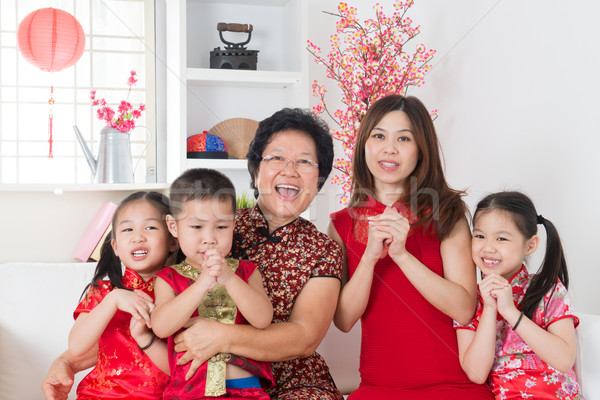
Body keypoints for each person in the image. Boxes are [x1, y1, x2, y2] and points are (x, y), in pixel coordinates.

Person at [41, 108, 344, 400]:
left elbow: (305, 337)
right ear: (255, 170)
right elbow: (141, 301)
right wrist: (67, 361)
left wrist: (223, 337)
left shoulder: (323, 250)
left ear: (320, 178)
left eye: (305, 162)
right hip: (196, 379)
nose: (289, 170)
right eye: (277, 157)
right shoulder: (209, 225)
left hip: (292, 381)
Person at [328, 94, 493, 399]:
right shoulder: (342, 224)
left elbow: (464, 308)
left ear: (420, 151)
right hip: (379, 388)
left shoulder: (447, 213)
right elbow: (343, 320)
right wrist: (370, 257)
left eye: (404, 138)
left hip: (453, 387)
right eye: (379, 135)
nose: (389, 148)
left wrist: (402, 256)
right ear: (364, 144)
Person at [152, 168, 274, 399]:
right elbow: (161, 327)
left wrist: (227, 277)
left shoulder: (247, 271)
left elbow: (262, 319)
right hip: (189, 392)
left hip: (245, 388)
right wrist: (203, 283)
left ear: (234, 225)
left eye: (221, 227)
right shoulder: (168, 278)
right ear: (173, 226)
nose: (210, 238)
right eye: (197, 227)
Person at [455, 191, 583, 399]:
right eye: (479, 236)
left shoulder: (547, 288)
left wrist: (510, 312)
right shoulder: (469, 299)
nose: (488, 247)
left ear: (530, 245)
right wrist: (489, 309)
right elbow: (476, 374)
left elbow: (564, 360)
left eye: (502, 238)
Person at [67, 191, 178, 399]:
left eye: (150, 227)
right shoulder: (104, 290)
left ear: (173, 241)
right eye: (128, 229)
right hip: (99, 394)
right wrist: (114, 300)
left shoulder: (180, 293)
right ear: (116, 247)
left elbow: (182, 369)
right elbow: (76, 347)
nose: (138, 236)